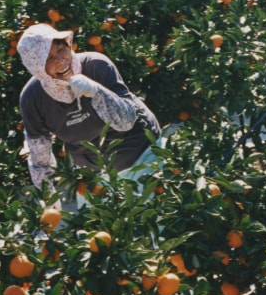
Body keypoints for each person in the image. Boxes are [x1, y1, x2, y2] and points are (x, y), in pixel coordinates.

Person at [17, 23, 160, 207]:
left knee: (155, 226)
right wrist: (49, 198)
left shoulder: (96, 66)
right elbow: (40, 158)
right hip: (95, 173)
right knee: (104, 232)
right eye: (49, 58)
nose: (61, 60)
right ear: (37, 68)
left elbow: (126, 121)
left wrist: (96, 91)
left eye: (61, 49)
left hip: (143, 152)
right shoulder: (33, 99)